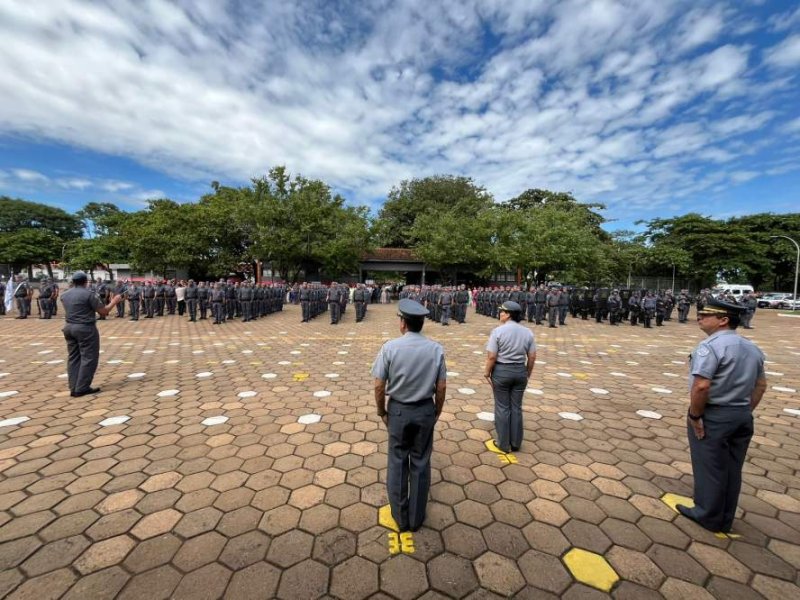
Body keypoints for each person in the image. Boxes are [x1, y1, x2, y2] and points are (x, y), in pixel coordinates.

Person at [676, 298, 767, 534]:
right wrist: (745, 410)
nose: (700, 318)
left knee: (710, 466)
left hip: (714, 415)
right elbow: (760, 385)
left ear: (723, 320)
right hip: (741, 415)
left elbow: (701, 386)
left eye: (707, 315)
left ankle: (707, 514)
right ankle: (725, 516)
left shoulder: (710, 347)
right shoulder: (752, 348)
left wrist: (695, 416)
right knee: (731, 468)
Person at [372, 299, 447, 532]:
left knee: (397, 461)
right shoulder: (436, 349)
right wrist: (436, 411)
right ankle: (415, 518)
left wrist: (381, 411)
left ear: (403, 323)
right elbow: (442, 386)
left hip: (399, 411)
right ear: (421, 323)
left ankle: (400, 515)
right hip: (424, 409)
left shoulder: (390, 347)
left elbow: (378, 385)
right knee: (421, 462)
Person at [483, 301, 536, 454]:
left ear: (509, 315)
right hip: (520, 371)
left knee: (502, 407)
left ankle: (503, 443)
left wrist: (487, 372)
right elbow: (532, 356)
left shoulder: (498, 331)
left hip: (502, 371)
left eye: (502, 312)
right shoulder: (528, 332)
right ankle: (516, 442)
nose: (500, 314)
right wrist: (527, 373)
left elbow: (492, 356)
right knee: (516, 407)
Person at [59, 271, 123, 397]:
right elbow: (103, 312)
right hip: (85, 328)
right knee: (88, 357)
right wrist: (114, 301)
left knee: (73, 358)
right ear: (85, 281)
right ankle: (82, 387)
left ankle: (74, 387)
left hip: (69, 327)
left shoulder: (64, 295)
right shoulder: (89, 294)